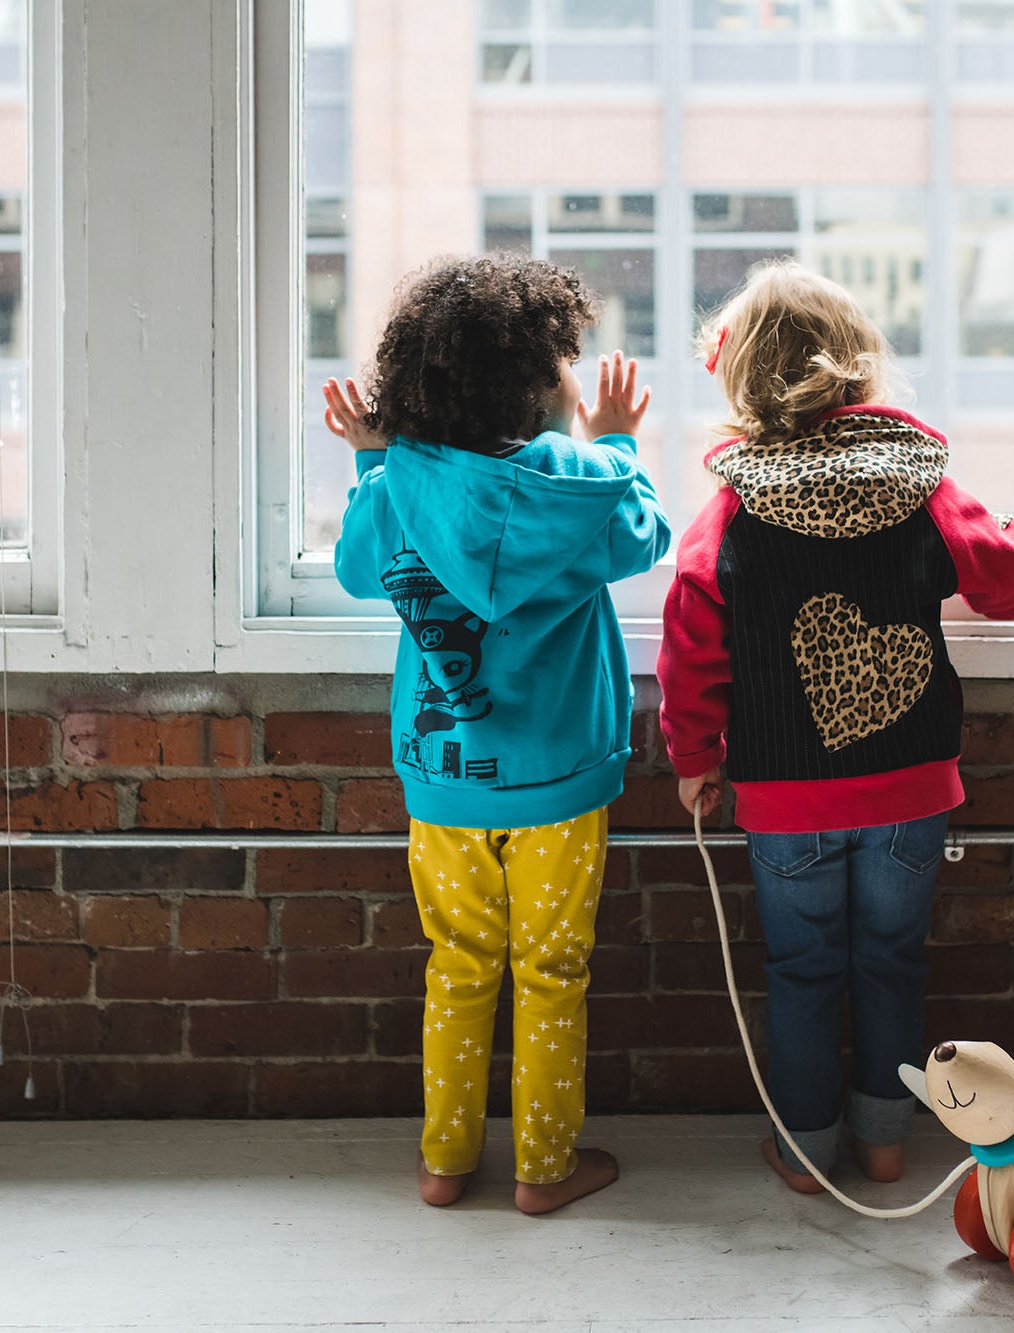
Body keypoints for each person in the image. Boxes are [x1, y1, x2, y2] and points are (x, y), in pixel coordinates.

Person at [657, 259, 1014, 1191]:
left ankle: (804, 1152)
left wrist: (693, 756)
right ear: (857, 361)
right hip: (911, 787)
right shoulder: (917, 482)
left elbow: (690, 639)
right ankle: (883, 1141)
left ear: (743, 375)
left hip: (785, 797)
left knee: (802, 967)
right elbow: (1006, 577)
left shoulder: (734, 506)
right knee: (890, 961)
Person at [324, 255, 671, 1214]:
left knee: (459, 968)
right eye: (566, 362)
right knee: (552, 974)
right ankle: (543, 1171)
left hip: (446, 784)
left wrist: (373, 461)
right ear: (534, 387)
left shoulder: (402, 484)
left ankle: (445, 1162)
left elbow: (357, 566)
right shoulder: (583, 484)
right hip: (560, 783)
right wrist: (617, 442)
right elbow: (645, 533)